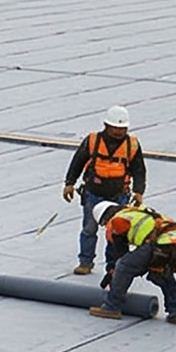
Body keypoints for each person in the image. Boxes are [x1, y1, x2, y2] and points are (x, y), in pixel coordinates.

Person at [62, 106, 144, 276]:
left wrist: (138, 191)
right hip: (93, 194)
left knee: (116, 234)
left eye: (123, 129)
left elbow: (139, 169)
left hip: (119, 197)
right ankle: (85, 262)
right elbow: (78, 161)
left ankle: (113, 268)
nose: (119, 132)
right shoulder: (92, 141)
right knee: (89, 230)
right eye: (116, 128)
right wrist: (69, 183)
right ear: (106, 125)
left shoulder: (132, 145)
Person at [93, 202, 176, 324]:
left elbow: (120, 253)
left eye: (103, 224)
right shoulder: (137, 212)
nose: (106, 226)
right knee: (160, 275)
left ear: (105, 218)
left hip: (160, 244)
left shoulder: (117, 220)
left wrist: (114, 274)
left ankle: (112, 307)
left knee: (124, 266)